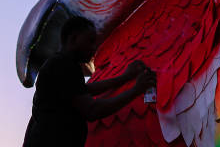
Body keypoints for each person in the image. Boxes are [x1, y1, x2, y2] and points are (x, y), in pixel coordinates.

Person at [23, 16, 156, 147]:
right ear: (73, 38)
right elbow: (92, 110)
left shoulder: (64, 64)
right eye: (90, 41)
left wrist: (124, 77)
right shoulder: (61, 65)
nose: (94, 48)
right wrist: (136, 90)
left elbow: (86, 89)